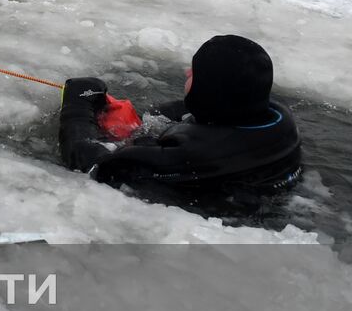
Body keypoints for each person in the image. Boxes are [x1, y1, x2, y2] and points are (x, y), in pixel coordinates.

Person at [60, 34, 301, 193]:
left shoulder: (189, 155)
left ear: (209, 88)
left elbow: (94, 164)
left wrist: (79, 104)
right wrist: (150, 118)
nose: (187, 72)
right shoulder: (281, 123)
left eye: (195, 72)